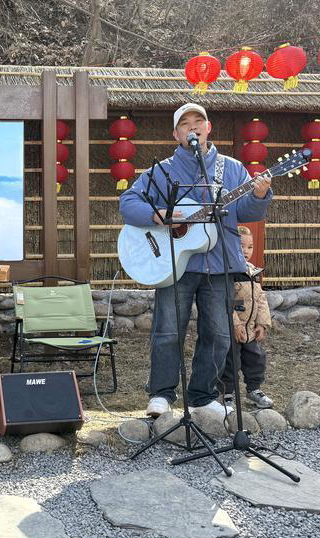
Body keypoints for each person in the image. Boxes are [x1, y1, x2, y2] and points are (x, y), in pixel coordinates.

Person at [119, 103, 273, 418]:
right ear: (176, 134)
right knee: (167, 331)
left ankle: (202, 395)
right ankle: (161, 394)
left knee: (218, 334)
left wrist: (259, 195)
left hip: (219, 264)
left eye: (198, 121)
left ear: (208, 127)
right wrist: (158, 215)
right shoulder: (162, 171)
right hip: (174, 263)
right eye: (185, 123)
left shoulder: (231, 169)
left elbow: (246, 212)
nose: (193, 127)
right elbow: (128, 202)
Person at [220, 226, 273, 409]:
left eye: (250, 247)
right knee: (230, 361)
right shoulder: (227, 272)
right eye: (241, 246)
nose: (246, 251)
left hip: (250, 329)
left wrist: (262, 324)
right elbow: (227, 300)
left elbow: (260, 298)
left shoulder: (253, 272)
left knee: (256, 359)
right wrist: (235, 324)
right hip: (233, 330)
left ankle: (254, 390)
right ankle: (227, 393)